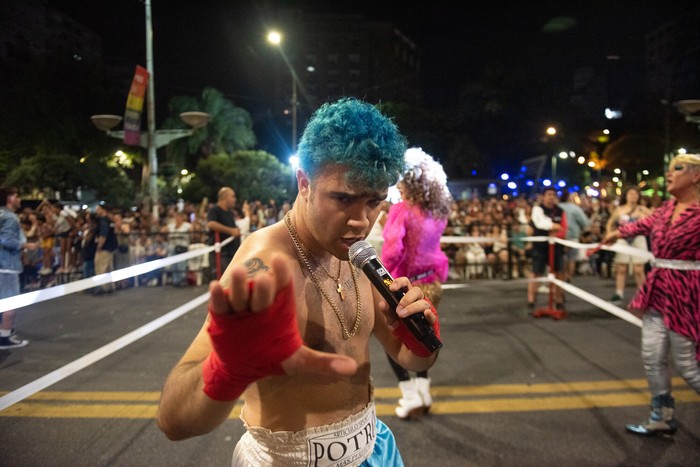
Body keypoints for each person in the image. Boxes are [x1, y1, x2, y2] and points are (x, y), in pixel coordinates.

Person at [157, 98, 440, 466]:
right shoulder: (264, 266)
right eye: (343, 198)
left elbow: (413, 362)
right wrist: (226, 370)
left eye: (374, 202)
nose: (360, 221)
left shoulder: (358, 253)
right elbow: (173, 421)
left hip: (374, 448)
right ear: (304, 182)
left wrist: (419, 340)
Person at [602, 153, 700, 436]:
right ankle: (662, 415)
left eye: (677, 169)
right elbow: (638, 226)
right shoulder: (666, 209)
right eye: (669, 169)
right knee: (652, 356)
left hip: (687, 291)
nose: (669, 174)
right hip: (658, 289)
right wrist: (615, 234)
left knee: (688, 366)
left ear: (695, 176)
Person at [380, 147, 452, 419]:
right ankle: (423, 392)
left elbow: (392, 252)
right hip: (432, 283)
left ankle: (410, 396)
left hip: (405, 285)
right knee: (423, 334)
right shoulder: (437, 210)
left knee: (393, 337)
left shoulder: (402, 209)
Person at [605, 186, 652, 305]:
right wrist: (609, 234)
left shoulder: (643, 209)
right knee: (621, 267)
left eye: (635, 194)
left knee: (639, 269)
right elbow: (610, 223)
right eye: (630, 193)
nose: (633, 196)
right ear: (625, 196)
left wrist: (643, 217)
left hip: (639, 238)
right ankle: (619, 293)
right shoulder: (619, 209)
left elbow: (654, 221)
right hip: (623, 238)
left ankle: (643, 296)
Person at [527, 187, 567, 313]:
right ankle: (531, 301)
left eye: (553, 195)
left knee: (558, 274)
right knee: (536, 273)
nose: (551, 197)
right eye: (549, 194)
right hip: (540, 247)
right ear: (543, 196)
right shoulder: (537, 209)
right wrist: (552, 226)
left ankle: (559, 301)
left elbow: (563, 228)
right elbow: (539, 224)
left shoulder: (560, 211)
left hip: (556, 247)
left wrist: (557, 230)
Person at [0, 187, 31, 349]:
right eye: (17, 196)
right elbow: (6, 241)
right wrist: (27, 245)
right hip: (7, 265)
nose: (19, 199)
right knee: (10, 303)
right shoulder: (11, 218)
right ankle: (5, 336)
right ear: (10, 199)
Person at [206, 187, 241, 280]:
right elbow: (211, 224)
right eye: (232, 196)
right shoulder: (214, 210)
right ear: (224, 197)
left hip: (230, 253)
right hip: (221, 254)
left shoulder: (229, 213)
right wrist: (231, 231)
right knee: (223, 281)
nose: (235, 199)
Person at [558, 191, 590, 281]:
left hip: (560, 237)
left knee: (562, 258)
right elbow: (584, 222)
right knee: (572, 258)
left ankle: (562, 276)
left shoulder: (558, 207)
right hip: (573, 236)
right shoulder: (575, 208)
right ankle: (569, 277)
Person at [93, 204, 118, 294]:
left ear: (103, 210)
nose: (96, 211)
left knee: (101, 267)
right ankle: (109, 286)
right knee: (108, 267)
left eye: (98, 209)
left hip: (104, 247)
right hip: (110, 247)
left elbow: (103, 234)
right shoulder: (110, 221)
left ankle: (102, 287)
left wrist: (99, 246)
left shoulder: (103, 221)